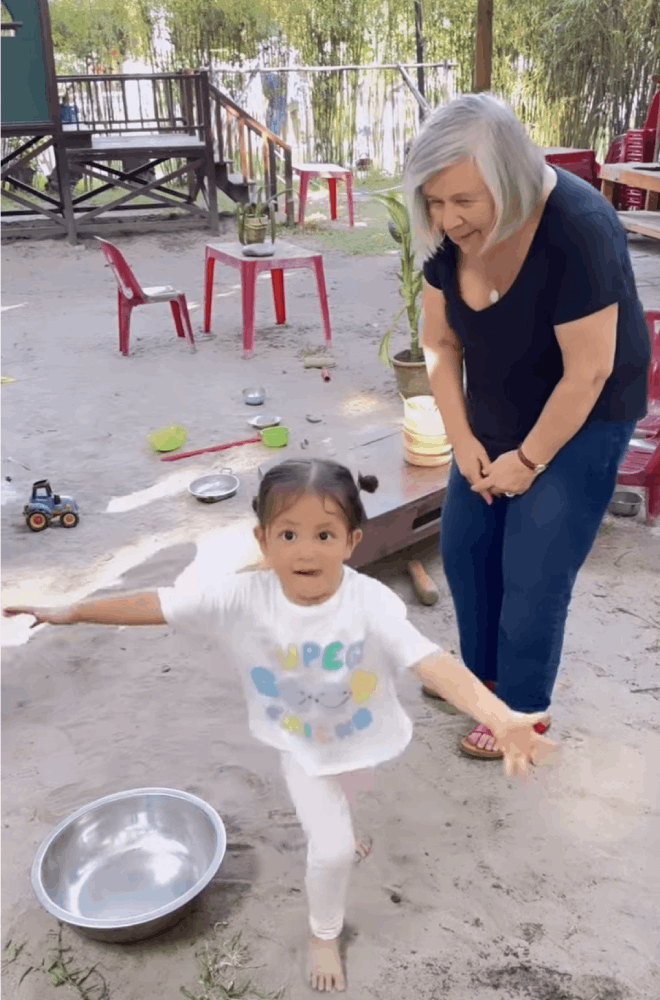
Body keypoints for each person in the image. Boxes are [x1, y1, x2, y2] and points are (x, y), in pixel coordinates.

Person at [4, 458, 557, 994]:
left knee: (348, 793)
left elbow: (429, 660)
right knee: (331, 848)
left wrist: (499, 716)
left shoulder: (372, 602)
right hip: (301, 748)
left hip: (361, 740)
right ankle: (324, 934)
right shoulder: (241, 597)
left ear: (352, 541)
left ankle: (343, 825)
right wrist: (73, 610)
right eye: (288, 534)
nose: (305, 550)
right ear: (263, 540)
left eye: (324, 534)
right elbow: (160, 604)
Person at [404, 93, 651, 759]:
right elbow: (439, 343)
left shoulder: (579, 228)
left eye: (465, 200)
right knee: (465, 545)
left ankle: (522, 708)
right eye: (435, 201)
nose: (447, 219)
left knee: (534, 564)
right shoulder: (443, 233)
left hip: (585, 411)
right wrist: (462, 443)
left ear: (510, 180)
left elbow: (589, 372)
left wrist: (530, 459)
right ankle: (482, 679)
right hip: (497, 402)